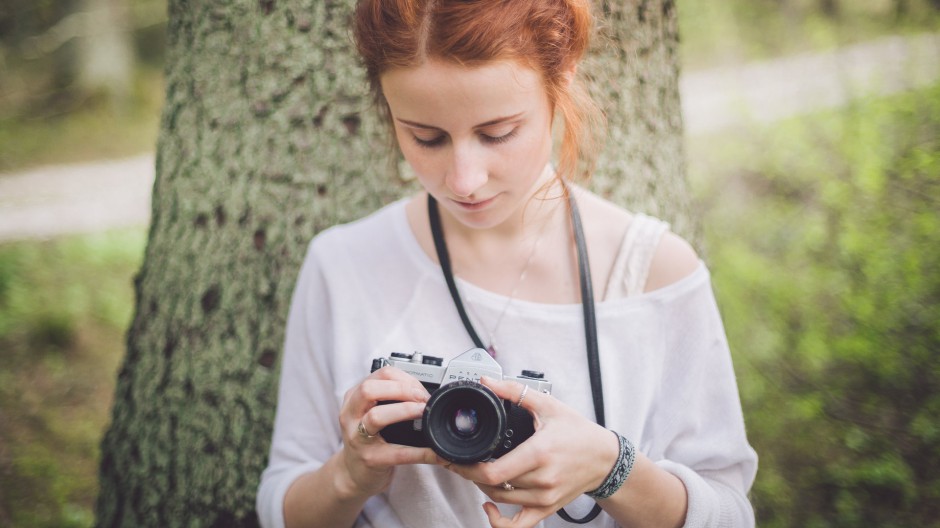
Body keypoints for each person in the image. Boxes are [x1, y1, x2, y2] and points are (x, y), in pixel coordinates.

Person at [257, 0, 757, 526]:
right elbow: (282, 507)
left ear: (560, 79)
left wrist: (611, 468)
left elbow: (731, 514)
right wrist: (349, 474)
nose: (464, 180)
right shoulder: (344, 266)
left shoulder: (652, 274)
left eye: (497, 133)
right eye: (426, 137)